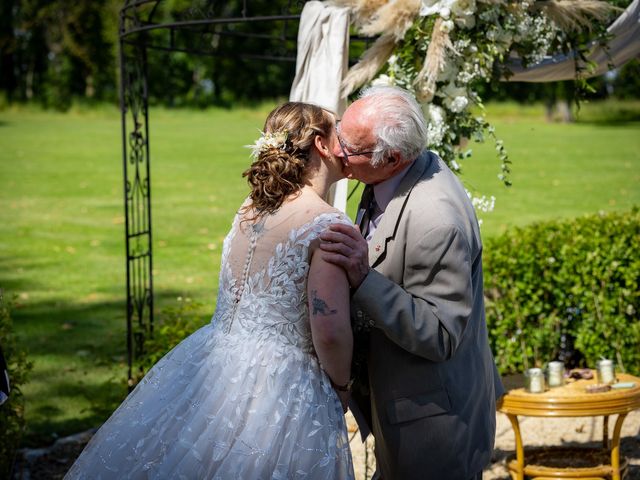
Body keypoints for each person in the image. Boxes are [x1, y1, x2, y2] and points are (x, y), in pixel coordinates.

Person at [65, 102, 355, 479]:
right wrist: (341, 386)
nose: (344, 143)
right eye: (339, 133)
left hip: (215, 360)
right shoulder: (327, 224)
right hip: (281, 385)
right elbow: (329, 329)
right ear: (319, 143)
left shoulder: (250, 208)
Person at [319, 85, 504, 480]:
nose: (336, 152)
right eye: (340, 134)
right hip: (405, 406)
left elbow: (439, 333)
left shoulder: (436, 220)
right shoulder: (393, 173)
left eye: (349, 149)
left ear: (393, 158)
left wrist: (362, 278)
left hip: (434, 424)